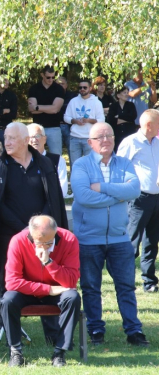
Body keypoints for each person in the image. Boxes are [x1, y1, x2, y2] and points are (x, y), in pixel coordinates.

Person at [0, 122, 68, 333]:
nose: (6, 142)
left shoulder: (44, 164)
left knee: (47, 277)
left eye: (12, 138)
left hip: (43, 236)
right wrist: (24, 230)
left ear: (26, 141)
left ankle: (52, 330)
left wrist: (38, 228)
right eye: (5, 138)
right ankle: (6, 327)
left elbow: (53, 199)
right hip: (9, 237)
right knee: (9, 282)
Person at [71, 122, 148, 347]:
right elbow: (84, 196)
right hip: (88, 239)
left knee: (126, 287)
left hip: (120, 238)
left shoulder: (124, 163)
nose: (105, 140)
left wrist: (102, 187)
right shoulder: (81, 165)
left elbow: (134, 190)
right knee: (91, 288)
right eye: (100, 137)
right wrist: (118, 193)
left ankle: (134, 331)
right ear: (90, 142)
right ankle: (95, 330)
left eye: (109, 136)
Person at [2, 215, 80, 367]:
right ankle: (16, 352)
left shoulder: (69, 239)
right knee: (7, 300)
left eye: (49, 242)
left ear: (56, 233)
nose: (44, 246)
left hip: (59, 290)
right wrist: (48, 289)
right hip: (29, 291)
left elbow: (71, 281)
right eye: (39, 242)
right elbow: (11, 282)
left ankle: (59, 352)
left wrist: (49, 263)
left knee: (73, 297)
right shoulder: (18, 241)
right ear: (30, 234)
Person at [117, 109, 159, 293]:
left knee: (152, 241)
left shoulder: (157, 143)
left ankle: (149, 281)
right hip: (138, 198)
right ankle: (125, 281)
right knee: (132, 241)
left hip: (157, 198)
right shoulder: (130, 142)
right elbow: (118, 169)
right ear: (149, 125)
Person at [64, 78, 105, 166]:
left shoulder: (97, 102)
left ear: (90, 88)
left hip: (90, 138)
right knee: (75, 165)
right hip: (74, 137)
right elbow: (66, 117)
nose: (82, 89)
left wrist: (89, 120)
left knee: (91, 165)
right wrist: (74, 121)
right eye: (80, 87)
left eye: (85, 87)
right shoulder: (73, 101)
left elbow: (102, 120)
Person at [28, 65, 65, 155]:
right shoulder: (34, 88)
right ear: (42, 75)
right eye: (48, 77)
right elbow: (31, 109)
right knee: (35, 154)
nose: (51, 80)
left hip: (54, 127)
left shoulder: (59, 89)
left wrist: (37, 107)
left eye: (53, 77)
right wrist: (49, 108)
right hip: (37, 128)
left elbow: (55, 109)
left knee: (56, 155)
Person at [27, 123, 69, 197]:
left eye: (37, 136)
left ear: (45, 139)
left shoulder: (57, 160)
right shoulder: (21, 161)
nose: (34, 140)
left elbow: (62, 191)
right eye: (30, 137)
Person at [106, 86, 138, 151]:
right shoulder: (113, 106)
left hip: (129, 133)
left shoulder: (131, 105)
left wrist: (119, 116)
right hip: (117, 135)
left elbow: (133, 117)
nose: (127, 94)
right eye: (124, 93)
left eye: (127, 92)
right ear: (118, 95)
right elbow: (110, 119)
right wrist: (126, 120)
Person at [56, 76, 77, 159]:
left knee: (72, 151)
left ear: (66, 85)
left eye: (62, 84)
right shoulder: (52, 95)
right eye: (58, 84)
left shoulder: (73, 96)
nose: (60, 85)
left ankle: (73, 171)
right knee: (57, 152)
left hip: (69, 126)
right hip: (56, 125)